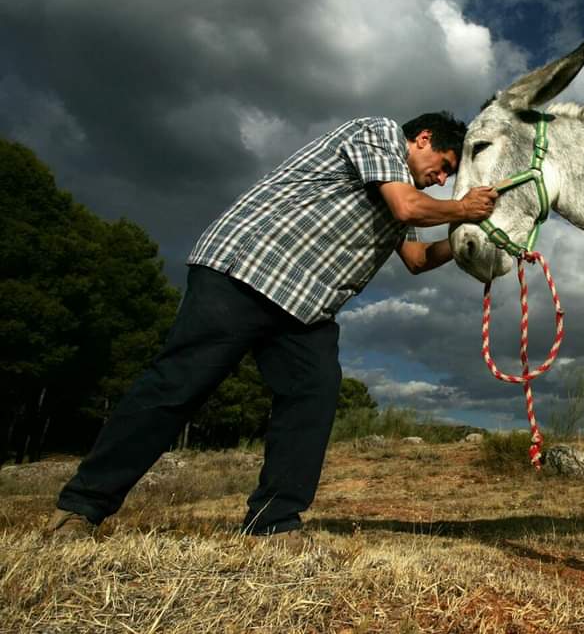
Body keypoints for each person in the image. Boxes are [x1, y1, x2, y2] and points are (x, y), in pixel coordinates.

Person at [47, 112, 497, 546]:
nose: (441, 179)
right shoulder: (378, 133)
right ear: (421, 140)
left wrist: (469, 242)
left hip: (305, 306)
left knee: (314, 391)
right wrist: (461, 207)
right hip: (245, 271)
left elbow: (417, 261)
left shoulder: (404, 200)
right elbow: (406, 205)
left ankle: (273, 522)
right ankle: (81, 507)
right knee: (177, 385)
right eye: (443, 167)